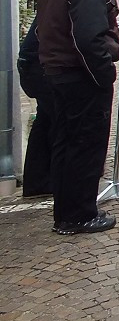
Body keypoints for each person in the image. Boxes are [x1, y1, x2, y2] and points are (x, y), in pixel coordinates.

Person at [35, 0, 119, 234]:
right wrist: (104, 75)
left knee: (65, 143)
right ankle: (79, 214)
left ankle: (66, 212)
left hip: (59, 73)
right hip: (80, 76)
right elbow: (89, 39)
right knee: (85, 145)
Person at [17, 19, 53, 197]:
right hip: (41, 63)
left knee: (46, 120)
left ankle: (37, 181)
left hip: (34, 60)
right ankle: (42, 180)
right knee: (54, 121)